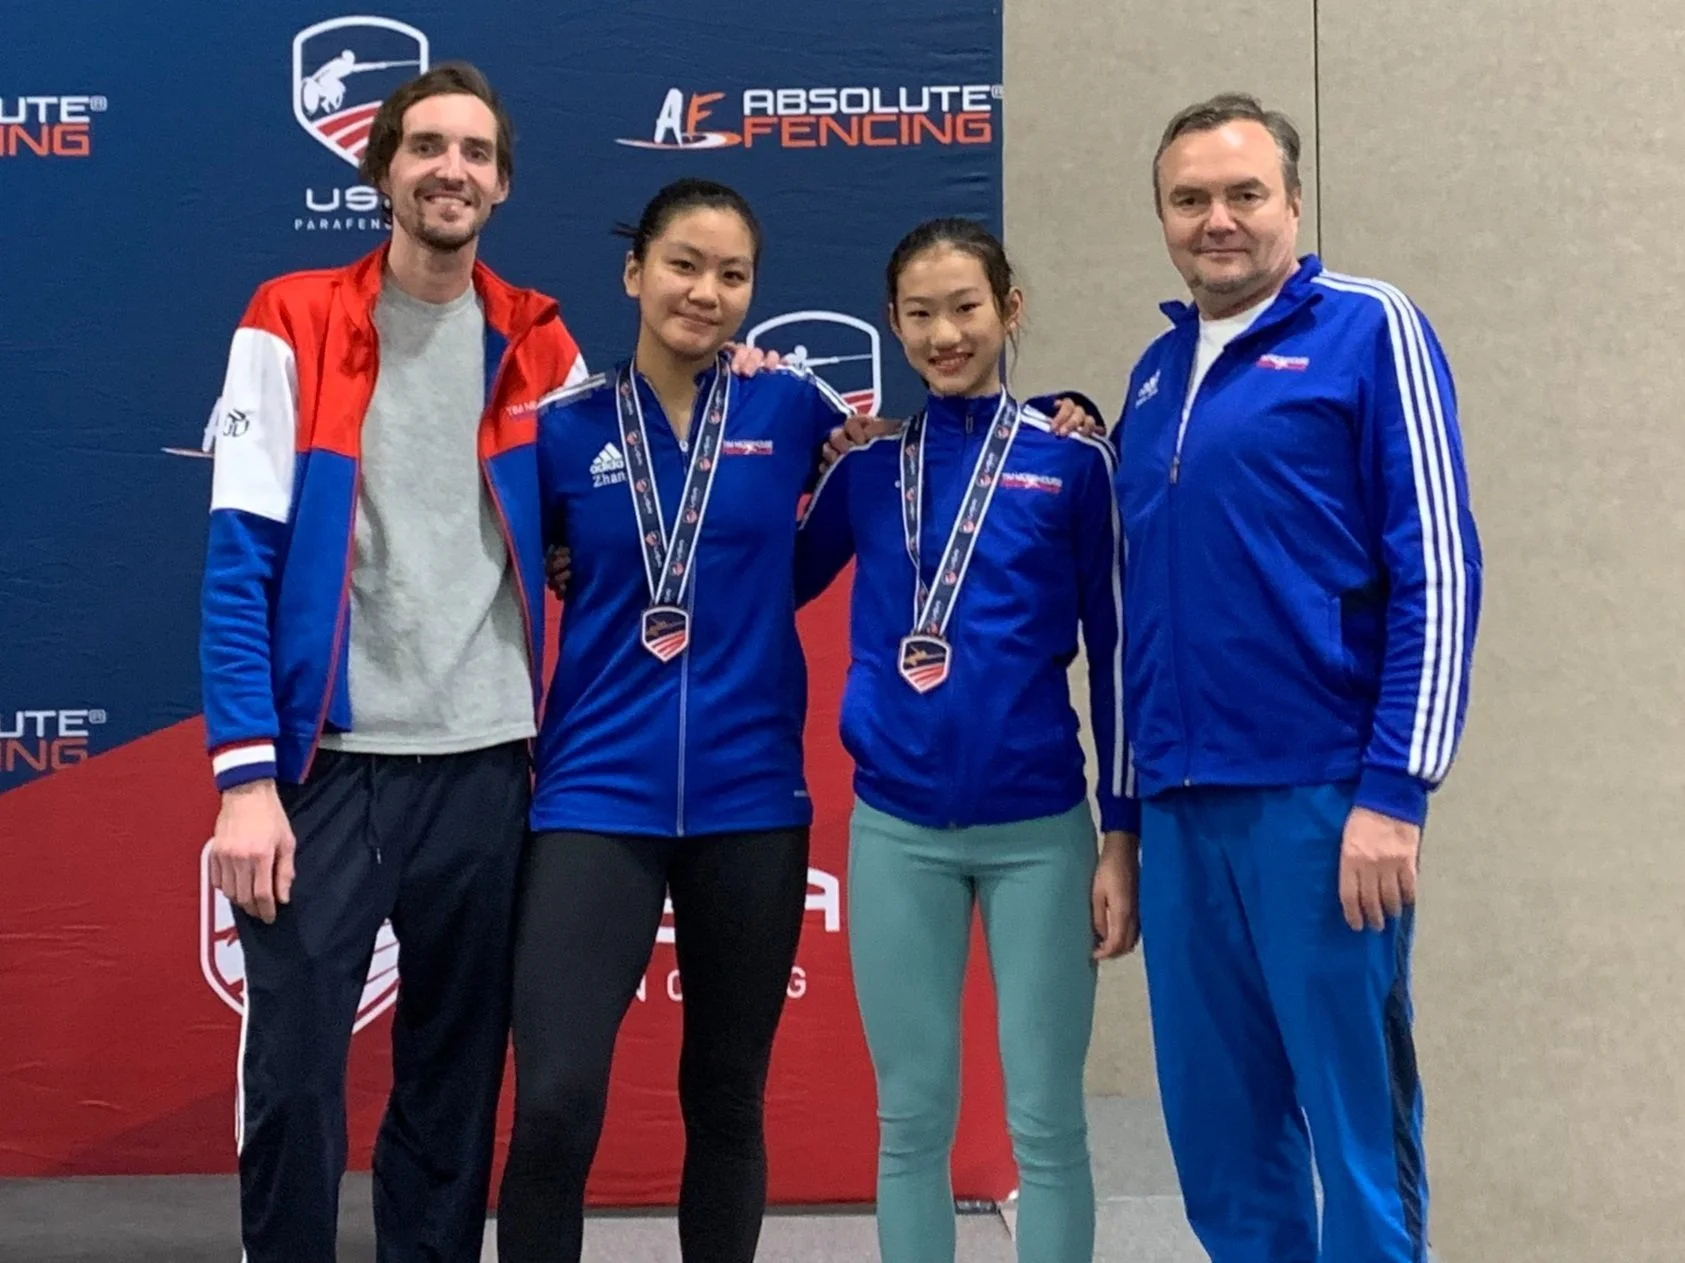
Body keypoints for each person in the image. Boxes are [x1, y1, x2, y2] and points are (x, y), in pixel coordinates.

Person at [501, 183, 1097, 1262]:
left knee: (727, 1100)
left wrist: (1064, 410)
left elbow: (938, 447)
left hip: (750, 801)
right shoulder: (559, 431)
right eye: (683, 265)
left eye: (731, 275)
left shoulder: (792, 411)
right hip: (593, 794)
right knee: (552, 1099)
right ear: (635, 274)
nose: (706, 292)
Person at [199, 62, 583, 1262]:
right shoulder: (291, 317)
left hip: (483, 768)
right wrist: (244, 779)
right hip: (323, 774)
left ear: (502, 183)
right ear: (383, 172)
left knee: (451, 1089)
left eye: (473, 152)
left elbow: (624, 509)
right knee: (300, 1080)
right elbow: (237, 561)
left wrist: (759, 399)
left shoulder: (538, 342)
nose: (449, 169)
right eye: (425, 146)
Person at [1113, 92, 1482, 1263]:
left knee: (1355, 1140)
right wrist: (1122, 823)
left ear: (1292, 202)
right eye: (1188, 199)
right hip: (1177, 813)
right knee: (1223, 1151)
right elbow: (1132, 614)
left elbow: (1440, 571)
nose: (1215, 220)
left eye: (1241, 194)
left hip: (1322, 806)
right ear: (1163, 216)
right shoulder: (1154, 371)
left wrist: (1394, 792)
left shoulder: (1368, 329)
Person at [792, 217, 1136, 1263]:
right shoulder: (866, 470)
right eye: (919, 314)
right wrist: (799, 448)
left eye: (965, 308)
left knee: (1043, 1121)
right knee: (908, 1124)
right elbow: (767, 581)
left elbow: (1116, 660)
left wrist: (1118, 836)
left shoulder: (1072, 466)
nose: (945, 334)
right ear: (892, 327)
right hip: (897, 833)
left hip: (1039, 831)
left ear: (1009, 309)